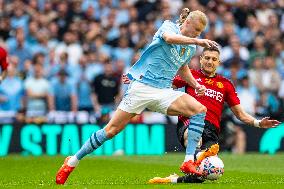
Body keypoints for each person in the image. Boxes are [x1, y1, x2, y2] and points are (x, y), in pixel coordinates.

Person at [55, 9, 219, 184]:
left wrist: (196, 85)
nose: (197, 35)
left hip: (163, 91)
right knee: (111, 131)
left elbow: (182, 68)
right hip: (142, 88)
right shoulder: (168, 26)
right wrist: (197, 40)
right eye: (195, 31)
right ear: (186, 23)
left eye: (199, 33)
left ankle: (188, 161)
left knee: (199, 110)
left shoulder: (191, 46)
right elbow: (169, 39)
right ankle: (72, 161)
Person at [148, 46, 280, 184]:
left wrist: (258, 123)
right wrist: (139, 81)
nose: (210, 62)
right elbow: (162, 84)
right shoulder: (190, 75)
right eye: (207, 58)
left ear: (218, 62)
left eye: (214, 59)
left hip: (212, 130)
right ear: (200, 59)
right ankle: (197, 155)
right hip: (190, 120)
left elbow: (240, 113)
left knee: (201, 175)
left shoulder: (226, 84)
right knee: (194, 138)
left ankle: (172, 180)